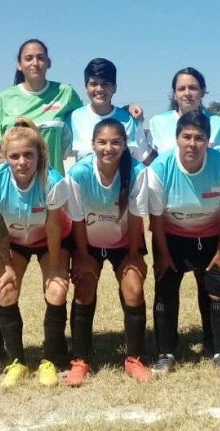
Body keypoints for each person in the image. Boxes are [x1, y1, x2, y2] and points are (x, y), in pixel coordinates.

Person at [0, 117, 73, 387]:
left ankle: (49, 361)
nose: (22, 162)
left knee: (56, 289)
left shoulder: (52, 180)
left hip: (48, 240)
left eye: (28, 155)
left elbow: (53, 229)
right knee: (6, 290)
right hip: (14, 241)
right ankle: (17, 362)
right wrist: (8, 267)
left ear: (39, 154)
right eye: (15, 156)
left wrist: (55, 267)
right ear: (5, 157)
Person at [147, 67, 220, 354]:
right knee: (165, 287)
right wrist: (163, 252)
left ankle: (217, 348)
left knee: (216, 285)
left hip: (210, 229)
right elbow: (156, 216)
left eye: (199, 138)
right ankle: (165, 351)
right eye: (186, 137)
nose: (192, 143)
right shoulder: (161, 162)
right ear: (177, 138)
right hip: (172, 231)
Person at [65, 118, 151, 386]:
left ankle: (134, 359)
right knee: (84, 287)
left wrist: (135, 255)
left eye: (115, 142)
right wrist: (82, 256)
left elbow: (136, 217)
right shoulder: (79, 173)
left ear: (125, 145)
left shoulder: (137, 171)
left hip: (124, 243)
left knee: (134, 289)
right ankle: (80, 360)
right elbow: (77, 219)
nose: (108, 148)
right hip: (88, 243)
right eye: (102, 142)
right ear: (92, 144)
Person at [0, 38, 83, 174]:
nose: (35, 63)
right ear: (19, 65)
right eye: (28, 58)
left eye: (40, 58)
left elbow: (86, 122)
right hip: (15, 183)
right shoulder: (4, 98)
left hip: (52, 182)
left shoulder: (65, 93)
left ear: (49, 63)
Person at [69, 58, 150, 162]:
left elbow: (145, 159)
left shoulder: (130, 121)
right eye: (93, 84)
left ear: (114, 87)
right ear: (86, 87)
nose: (99, 89)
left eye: (105, 84)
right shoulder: (73, 119)